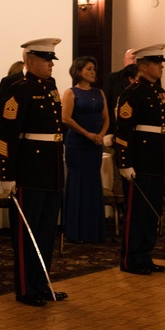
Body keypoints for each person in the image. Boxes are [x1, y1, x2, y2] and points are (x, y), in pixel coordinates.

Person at [0, 38, 69, 307]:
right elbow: (6, 134)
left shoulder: (50, 88)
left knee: (46, 231)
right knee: (27, 233)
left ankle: (43, 284)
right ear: (29, 61)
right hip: (30, 169)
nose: (51, 64)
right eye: (46, 59)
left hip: (51, 169)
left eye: (51, 59)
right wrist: (7, 174)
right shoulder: (18, 89)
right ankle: (26, 288)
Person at [114, 44, 165, 275]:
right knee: (136, 212)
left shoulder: (159, 91)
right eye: (157, 63)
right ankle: (130, 259)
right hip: (138, 159)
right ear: (143, 66)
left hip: (154, 158)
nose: (161, 67)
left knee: (152, 211)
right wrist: (125, 163)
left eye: (161, 63)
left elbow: (160, 125)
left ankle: (145, 255)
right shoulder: (132, 92)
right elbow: (124, 131)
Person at [61, 56, 109, 243]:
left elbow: (106, 118)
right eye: (88, 68)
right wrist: (87, 133)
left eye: (94, 69)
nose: (92, 72)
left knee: (92, 184)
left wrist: (101, 134)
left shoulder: (99, 93)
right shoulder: (71, 93)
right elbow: (66, 119)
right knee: (78, 184)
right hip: (77, 145)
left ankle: (93, 231)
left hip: (95, 145)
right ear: (79, 71)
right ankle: (76, 231)